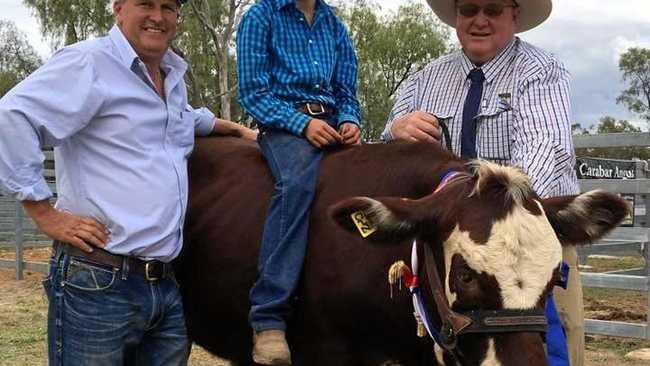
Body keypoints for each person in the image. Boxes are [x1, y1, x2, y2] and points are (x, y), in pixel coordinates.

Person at [0, 0, 256, 364]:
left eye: (168, 7)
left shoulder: (170, 75)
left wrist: (236, 129)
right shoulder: (89, 62)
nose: (158, 16)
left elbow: (176, 119)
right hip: (98, 280)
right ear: (118, 9)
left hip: (165, 285)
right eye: (145, 4)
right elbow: (11, 116)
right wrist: (45, 212)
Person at [382, 0, 582, 365]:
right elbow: (387, 148)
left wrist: (492, 217)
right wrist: (396, 130)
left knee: (548, 345)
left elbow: (544, 148)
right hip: (453, 256)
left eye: (492, 9)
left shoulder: (540, 72)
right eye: (469, 9)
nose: (479, 21)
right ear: (457, 16)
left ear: (514, 15)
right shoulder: (425, 78)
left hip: (531, 245)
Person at [236, 0, 361, 364]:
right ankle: (268, 316)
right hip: (285, 128)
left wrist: (350, 119)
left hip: (333, 124)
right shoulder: (261, 17)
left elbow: (346, 90)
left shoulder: (332, 24)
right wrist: (302, 124)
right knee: (296, 185)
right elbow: (254, 94)